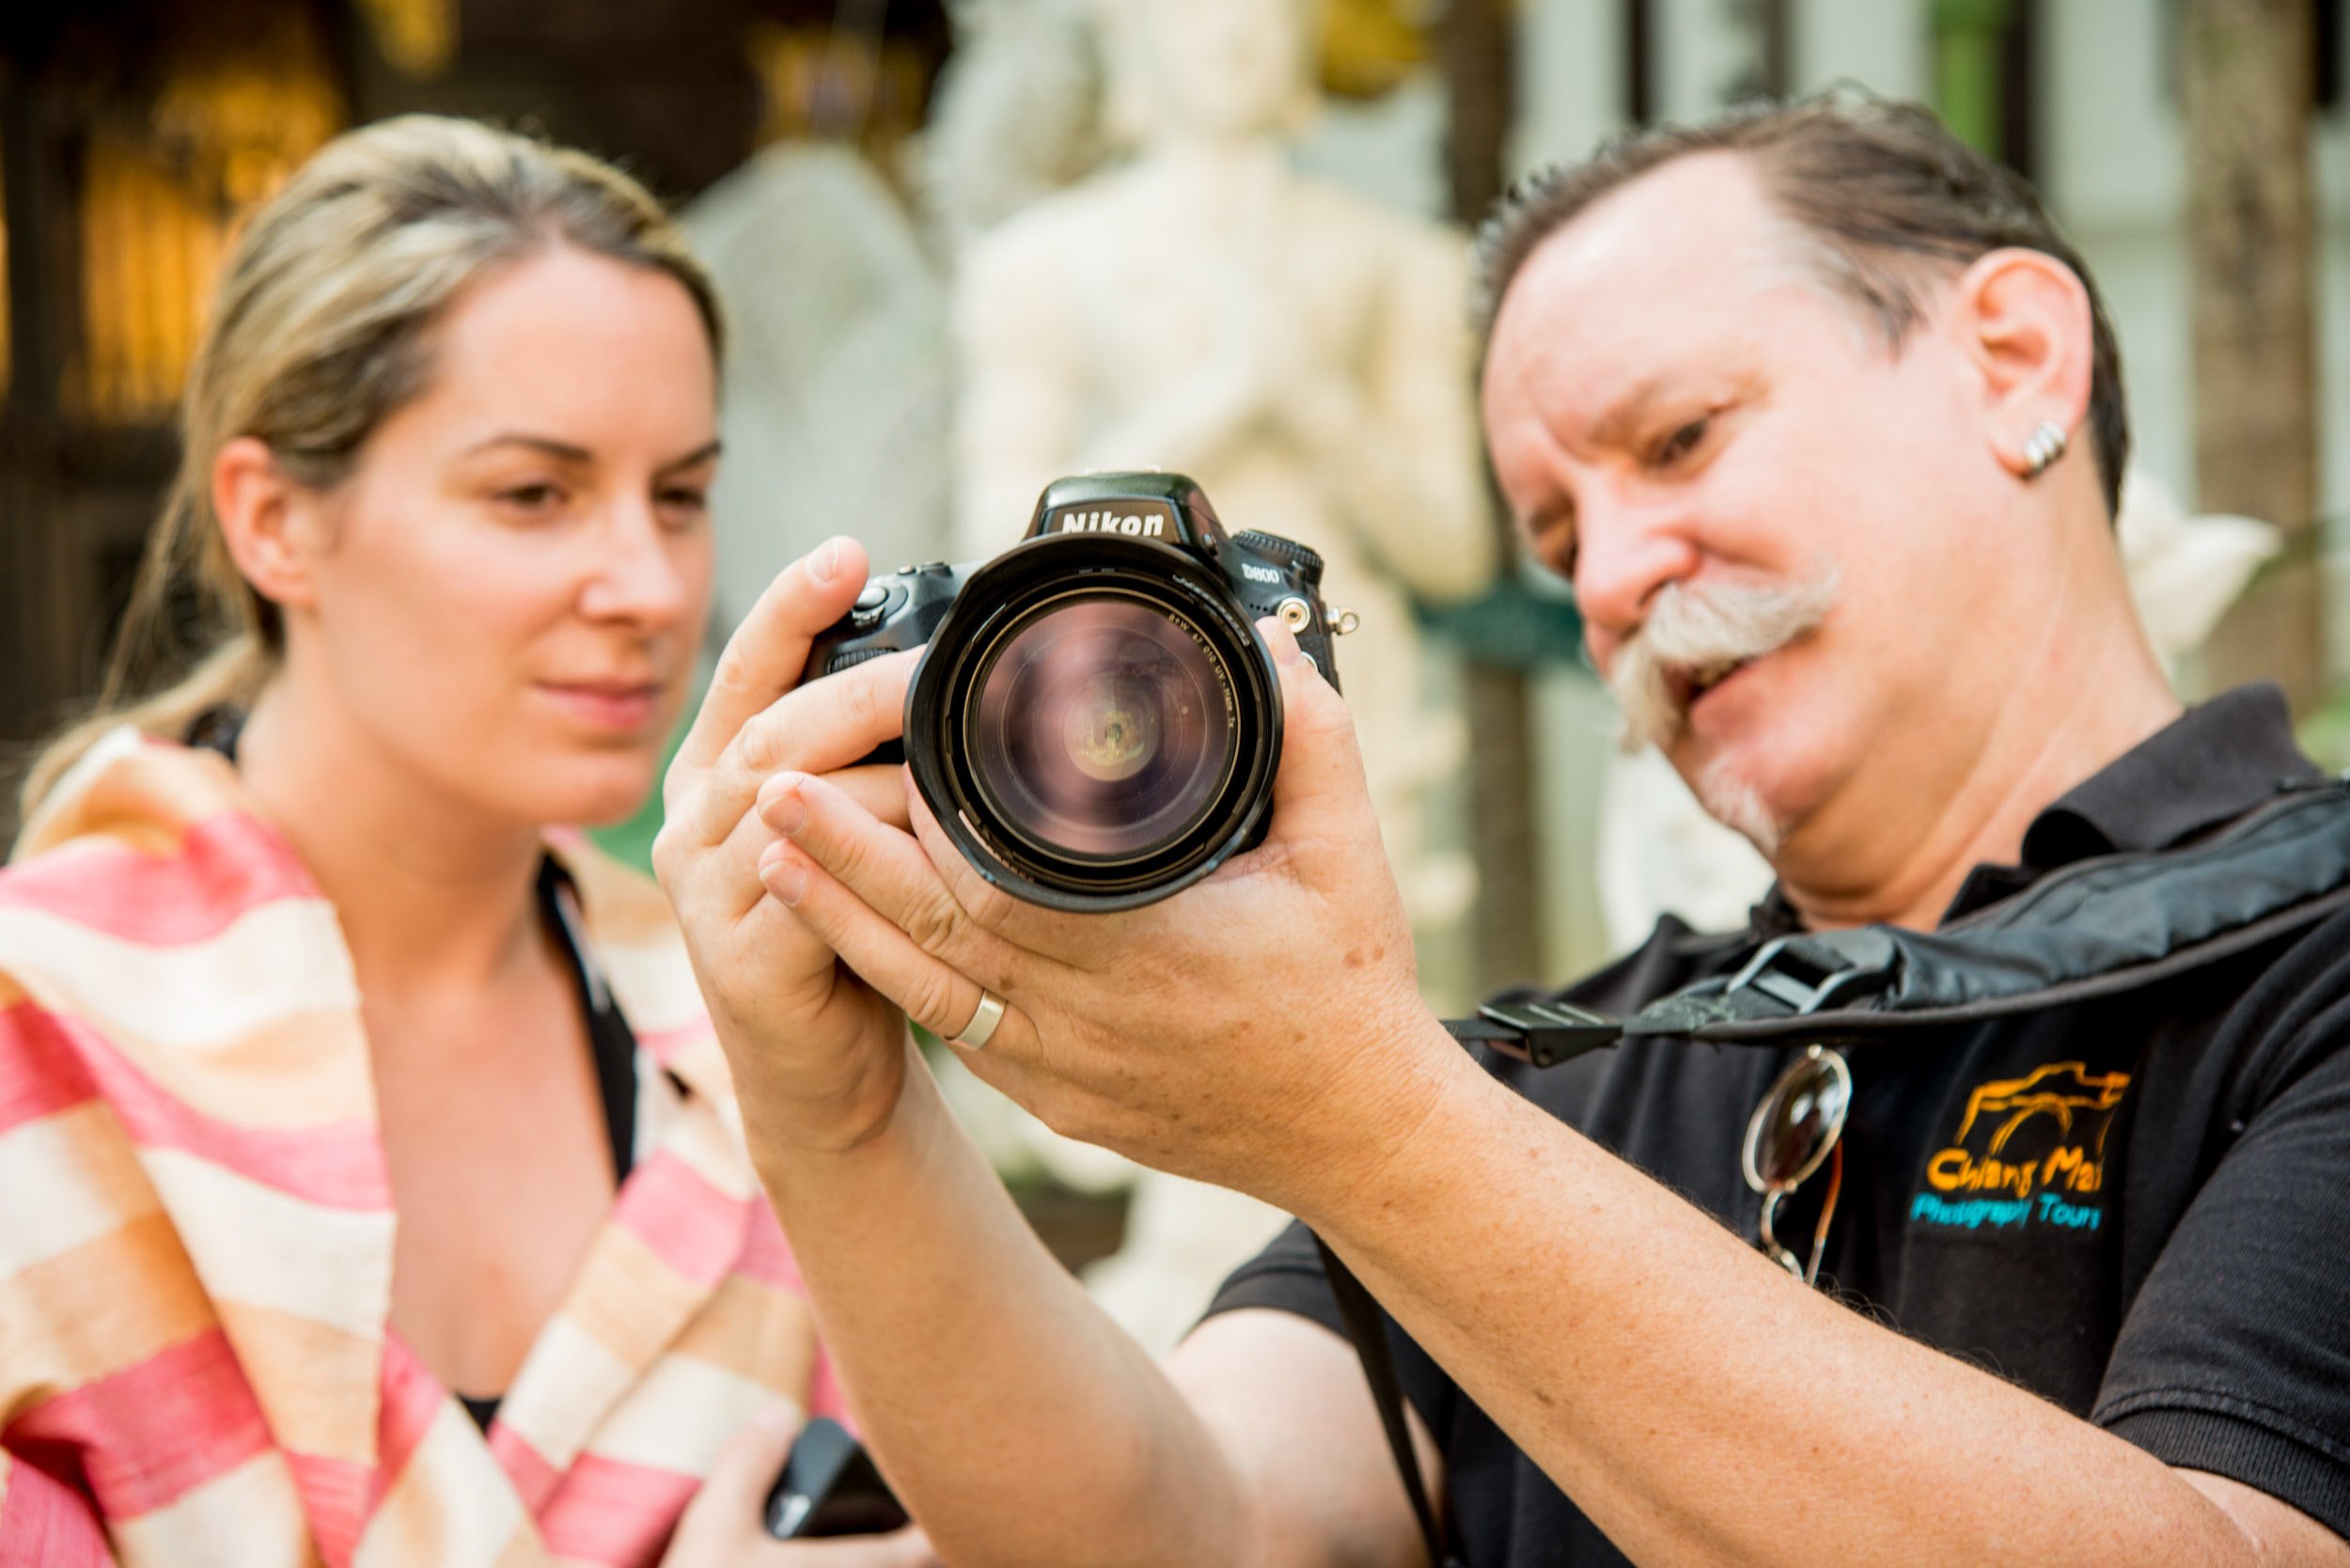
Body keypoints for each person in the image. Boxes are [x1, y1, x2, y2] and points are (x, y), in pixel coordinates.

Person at [657, 96, 2350, 1567]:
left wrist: (1375, 1126)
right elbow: (1192, 1530)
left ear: (2013, 361)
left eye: (1679, 440)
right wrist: (838, 1113)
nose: (1611, 583)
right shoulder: (1553, 1082)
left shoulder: (2312, 966)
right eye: (1556, 540)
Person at [0, 117, 929, 1568]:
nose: (649, 583)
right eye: (532, 494)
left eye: (680, 496)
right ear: (273, 521)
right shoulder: (34, 1019)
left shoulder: (751, 1033)